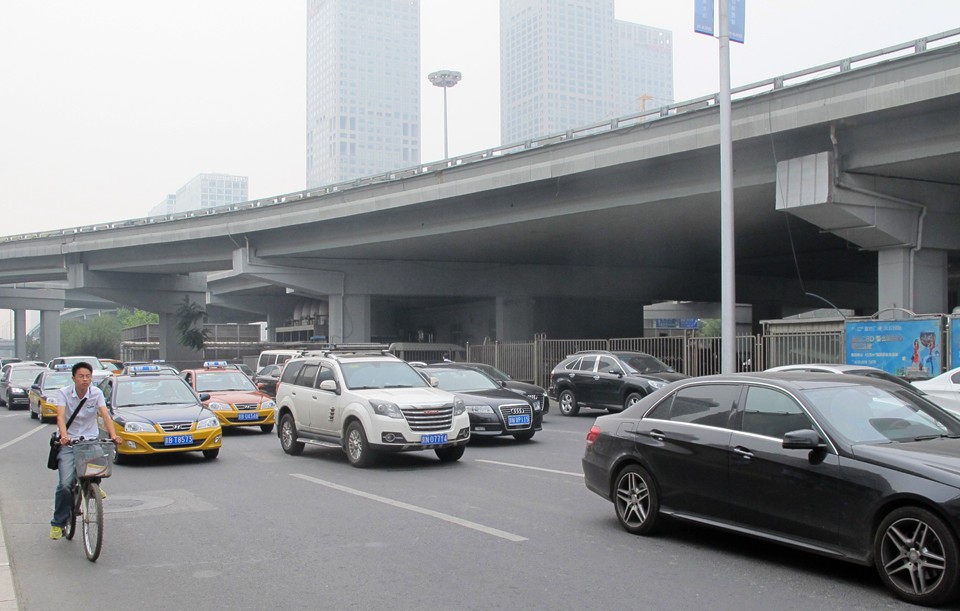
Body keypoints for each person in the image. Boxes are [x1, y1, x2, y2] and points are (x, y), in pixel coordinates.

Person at [49, 361, 121, 541]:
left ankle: (92, 487)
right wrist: (64, 436)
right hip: (69, 443)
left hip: (89, 440)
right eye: (81, 376)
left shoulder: (96, 393)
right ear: (73, 378)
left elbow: (105, 415)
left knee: (100, 467)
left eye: (88, 376)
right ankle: (58, 523)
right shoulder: (64, 393)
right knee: (65, 485)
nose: (85, 379)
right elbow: (60, 416)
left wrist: (113, 435)